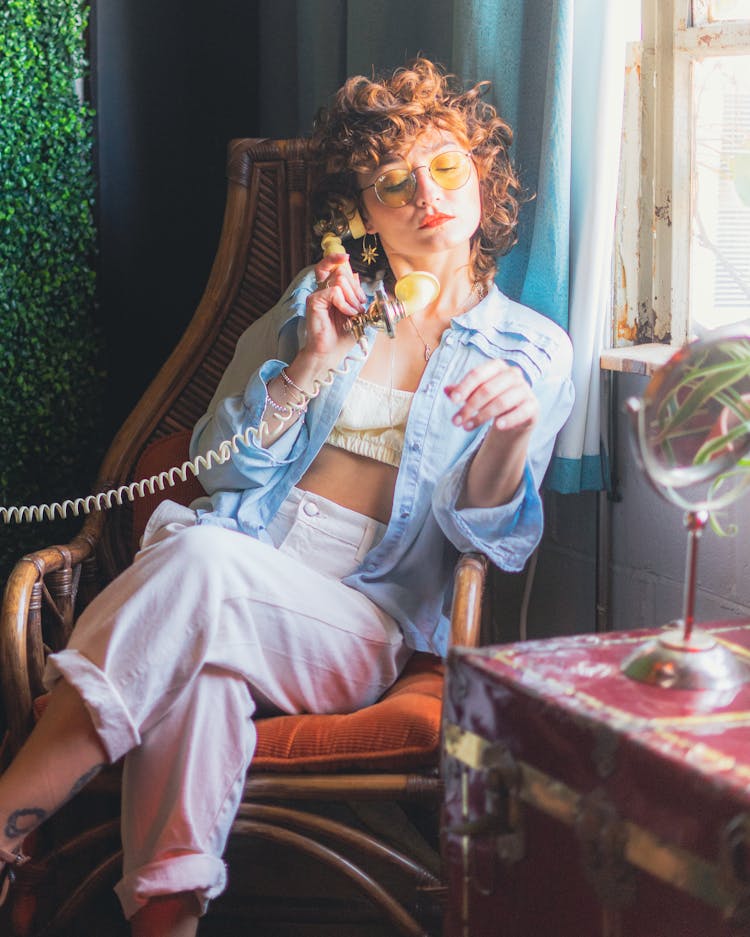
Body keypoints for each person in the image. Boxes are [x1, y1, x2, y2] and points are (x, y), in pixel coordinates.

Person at [0, 57, 574, 935]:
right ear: (366, 212)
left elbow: (485, 539)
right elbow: (219, 467)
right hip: (243, 551)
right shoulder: (320, 298)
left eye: (447, 165)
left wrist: (509, 434)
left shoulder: (533, 349)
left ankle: (9, 815)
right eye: (395, 181)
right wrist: (309, 361)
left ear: (484, 178)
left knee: (196, 559)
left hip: (361, 611)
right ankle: (168, 919)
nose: (427, 193)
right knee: (201, 675)